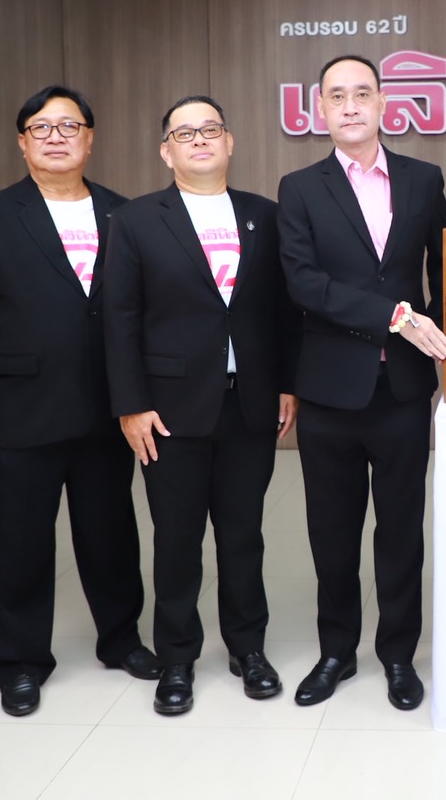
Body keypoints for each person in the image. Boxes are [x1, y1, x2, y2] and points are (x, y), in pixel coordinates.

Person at [0, 85, 158, 718]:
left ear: (90, 139)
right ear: (22, 142)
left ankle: (121, 639)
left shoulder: (126, 213)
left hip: (107, 410)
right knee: (17, 543)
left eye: (70, 126)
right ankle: (18, 662)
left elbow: (142, 317)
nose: (56, 136)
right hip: (21, 411)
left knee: (111, 534)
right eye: (41, 127)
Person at [102, 95, 298, 715]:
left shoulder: (266, 216)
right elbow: (119, 317)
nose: (200, 140)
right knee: (177, 539)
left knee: (243, 536)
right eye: (185, 134)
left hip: (250, 405)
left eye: (210, 129)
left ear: (230, 142)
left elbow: (283, 311)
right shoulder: (136, 220)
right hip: (168, 410)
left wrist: (286, 383)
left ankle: (248, 648)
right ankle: (177, 657)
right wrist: (131, 404)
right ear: (166, 151)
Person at [276, 55, 446, 711]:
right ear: (319, 109)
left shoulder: (423, 178)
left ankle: (398, 655)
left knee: (401, 529)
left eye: (362, 94)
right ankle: (336, 651)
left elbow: (445, 275)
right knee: (332, 530)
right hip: (329, 387)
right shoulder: (299, 188)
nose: (350, 106)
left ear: (382, 103)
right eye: (337, 96)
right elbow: (304, 283)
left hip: (402, 388)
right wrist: (395, 316)